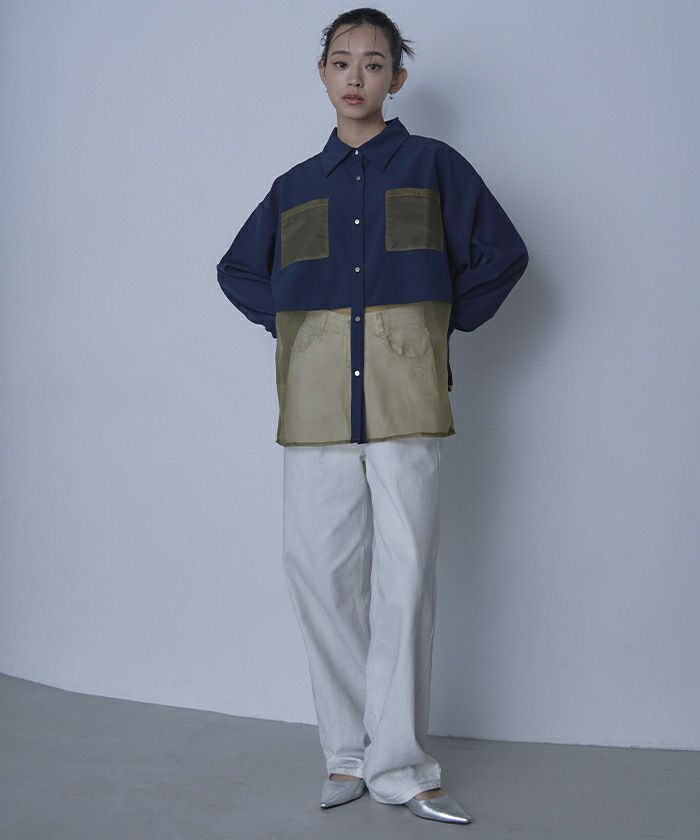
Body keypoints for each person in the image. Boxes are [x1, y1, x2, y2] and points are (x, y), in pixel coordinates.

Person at [216, 7, 529, 826]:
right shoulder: (295, 187)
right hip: (316, 402)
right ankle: (347, 753)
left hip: (405, 398)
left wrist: (437, 325)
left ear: (397, 77)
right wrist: (297, 327)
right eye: (342, 61)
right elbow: (238, 270)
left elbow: (504, 254)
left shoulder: (434, 166)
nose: (356, 75)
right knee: (317, 574)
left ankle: (403, 766)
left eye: (374, 62)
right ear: (323, 74)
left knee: (406, 575)